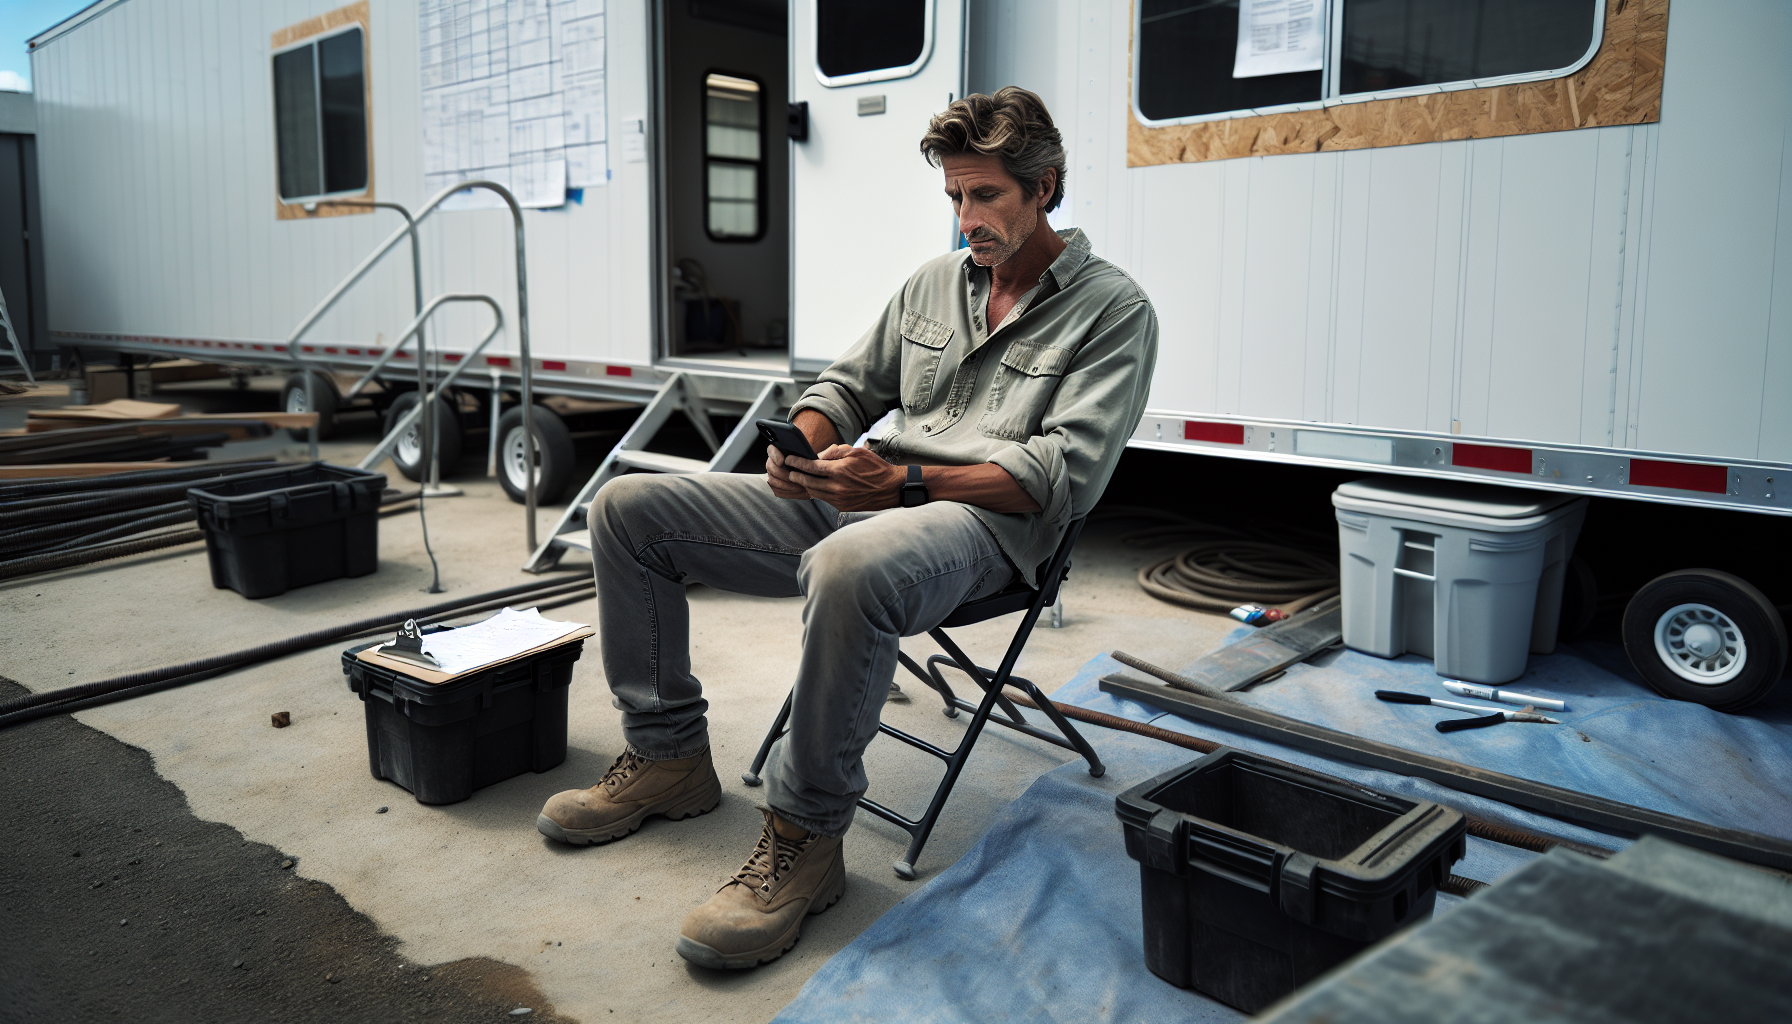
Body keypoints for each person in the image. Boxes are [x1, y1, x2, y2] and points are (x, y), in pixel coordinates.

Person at [535, 86, 1159, 970]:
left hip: (984, 529)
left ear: (1045, 187)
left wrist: (901, 480)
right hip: (869, 497)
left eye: (986, 197)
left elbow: (1059, 478)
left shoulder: (1114, 311)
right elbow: (847, 386)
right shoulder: (935, 283)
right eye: (954, 196)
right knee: (629, 508)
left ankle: (805, 840)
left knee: (848, 564)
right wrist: (808, 447)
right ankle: (666, 757)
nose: (965, 218)